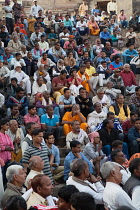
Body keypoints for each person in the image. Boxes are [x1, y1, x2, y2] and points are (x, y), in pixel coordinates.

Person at [0, 119, 14, 185]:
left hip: (8, 158)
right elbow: (1, 147)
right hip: (1, 159)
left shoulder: (7, 135)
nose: (8, 127)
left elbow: (12, 146)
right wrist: (5, 148)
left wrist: (6, 148)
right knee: (2, 176)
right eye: (6, 125)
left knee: (7, 176)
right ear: (2, 126)